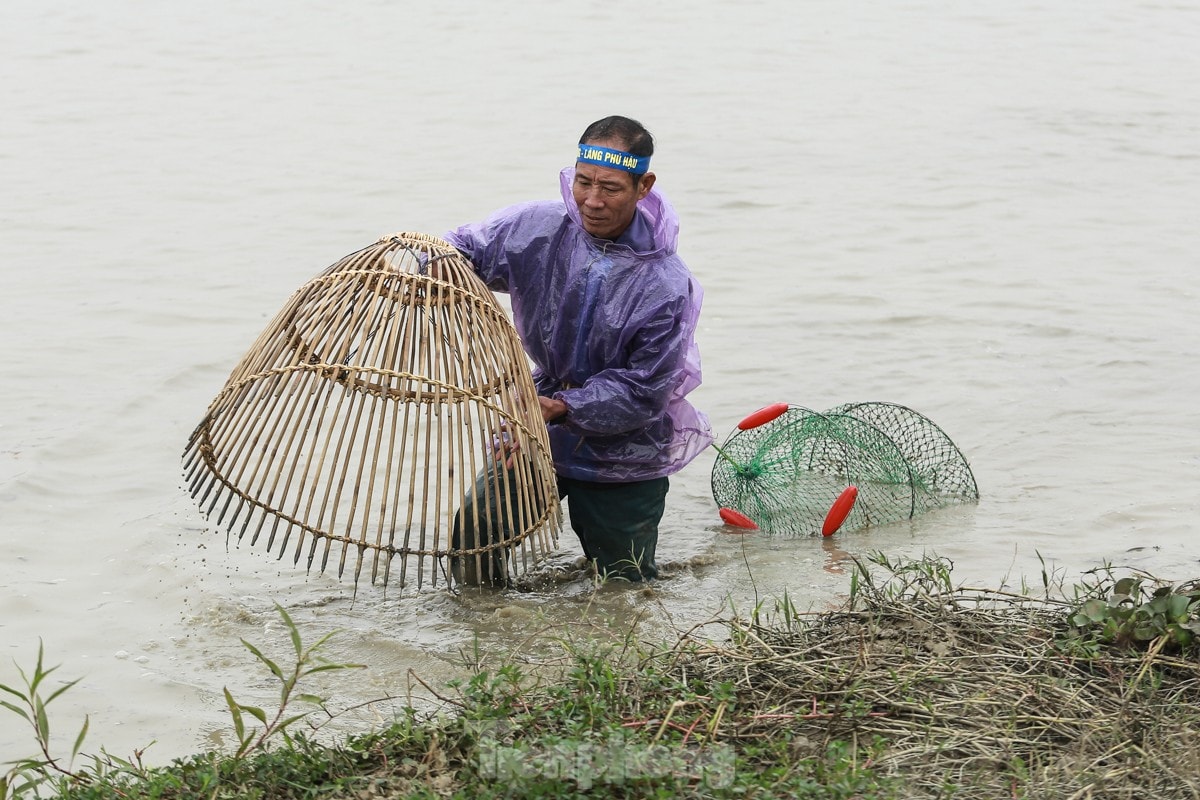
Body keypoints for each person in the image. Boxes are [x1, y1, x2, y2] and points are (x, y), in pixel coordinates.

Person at [444, 115, 713, 584]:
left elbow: (645, 391)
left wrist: (564, 405)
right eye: (583, 182)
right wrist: (429, 265)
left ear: (643, 185)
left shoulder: (667, 285)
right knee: (476, 529)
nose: (591, 200)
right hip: (538, 424)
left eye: (609, 188)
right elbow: (465, 249)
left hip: (626, 447)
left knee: (622, 583)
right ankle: (484, 629)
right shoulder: (539, 227)